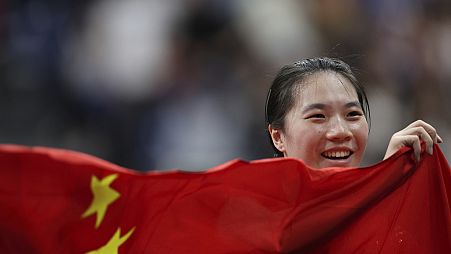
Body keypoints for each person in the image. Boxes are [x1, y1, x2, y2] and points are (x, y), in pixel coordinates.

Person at [266, 57, 443, 169]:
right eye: (318, 116)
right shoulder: (258, 217)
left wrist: (390, 174)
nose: (341, 131)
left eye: (352, 114)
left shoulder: (386, 197)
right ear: (278, 137)